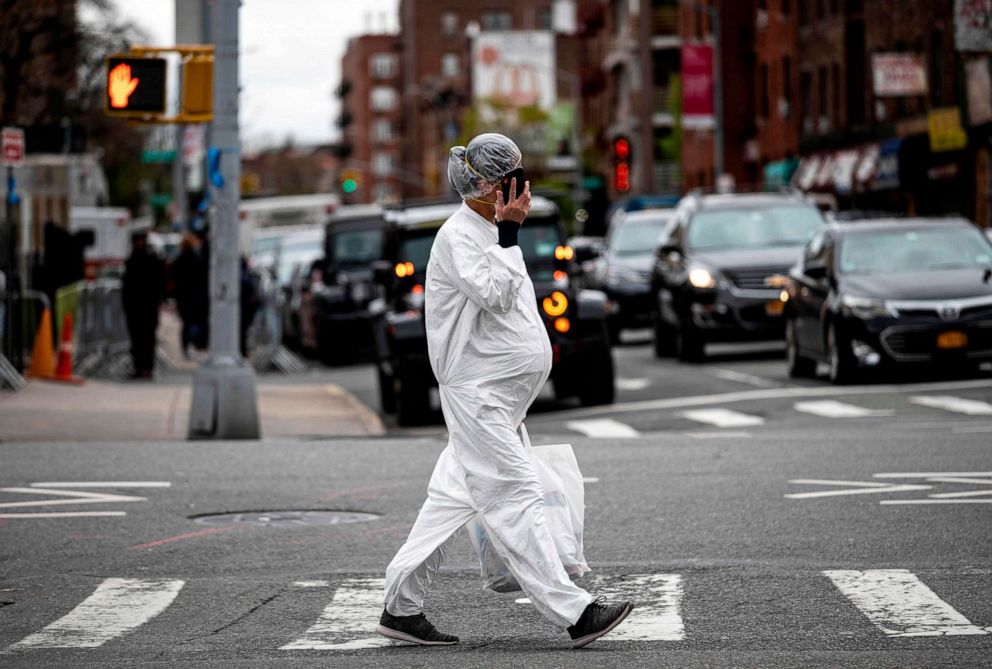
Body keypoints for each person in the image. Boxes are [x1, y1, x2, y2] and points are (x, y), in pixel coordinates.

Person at [377, 133, 633, 649]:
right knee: (515, 494)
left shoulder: (485, 230)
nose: (524, 186)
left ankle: (399, 609)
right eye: (514, 177)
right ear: (493, 185)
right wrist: (511, 235)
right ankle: (576, 613)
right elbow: (495, 295)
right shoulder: (461, 236)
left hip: (497, 397)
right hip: (479, 397)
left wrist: (506, 234)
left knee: (451, 497)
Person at [122, 231, 166, 379]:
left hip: (144, 307)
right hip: (140, 307)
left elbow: (160, 282)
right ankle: (142, 367)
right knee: (141, 339)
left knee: (144, 339)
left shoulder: (144, 260)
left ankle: (145, 367)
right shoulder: (139, 260)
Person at [169, 233, 208, 357]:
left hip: (182, 297)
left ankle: (186, 347)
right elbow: (202, 278)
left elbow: (172, 277)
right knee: (195, 322)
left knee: (186, 323)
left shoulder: (178, 260)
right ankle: (196, 345)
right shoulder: (196, 259)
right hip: (195, 297)